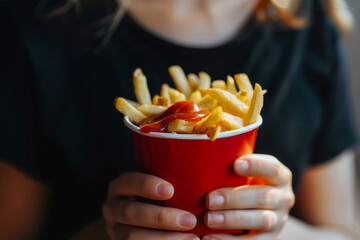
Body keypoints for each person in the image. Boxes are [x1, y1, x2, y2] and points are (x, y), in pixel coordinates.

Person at [0, 0, 359, 239]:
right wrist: (106, 233)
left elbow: (342, 231)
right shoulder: (39, 22)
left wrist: (279, 230)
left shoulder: (309, 23)